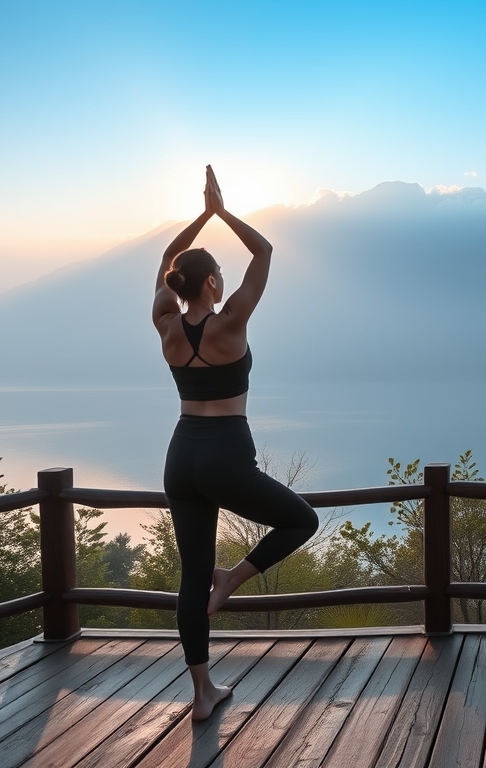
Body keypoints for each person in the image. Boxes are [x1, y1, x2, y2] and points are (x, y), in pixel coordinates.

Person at [153, 165, 319, 721]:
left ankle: (201, 694)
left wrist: (198, 218)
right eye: (218, 272)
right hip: (225, 452)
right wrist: (221, 212)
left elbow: (164, 264)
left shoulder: (166, 326)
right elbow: (265, 251)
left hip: (181, 455)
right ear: (211, 284)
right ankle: (233, 579)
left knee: (188, 578)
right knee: (302, 520)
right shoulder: (231, 324)